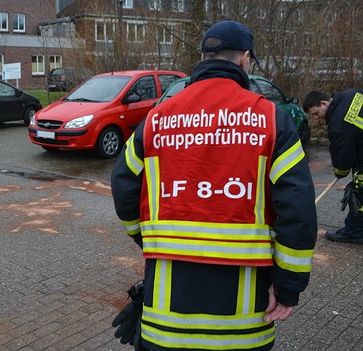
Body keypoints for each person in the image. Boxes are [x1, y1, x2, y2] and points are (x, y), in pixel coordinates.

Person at [111, 20, 317, 351]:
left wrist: (144, 237)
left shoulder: (158, 118)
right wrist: (289, 284)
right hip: (244, 322)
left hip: (166, 323)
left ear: (204, 57)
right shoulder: (271, 120)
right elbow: (299, 210)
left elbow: (124, 185)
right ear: (244, 59)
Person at [302, 90, 363, 243]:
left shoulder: (338, 123)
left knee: (359, 190)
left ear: (324, 103)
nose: (318, 118)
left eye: (316, 113)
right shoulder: (352, 94)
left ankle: (355, 231)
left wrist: (340, 172)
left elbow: (343, 159)